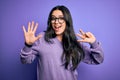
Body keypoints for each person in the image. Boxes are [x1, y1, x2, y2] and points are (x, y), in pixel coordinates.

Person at [20, 5, 104, 80]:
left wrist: (93, 43)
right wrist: (28, 45)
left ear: (67, 21)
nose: (56, 22)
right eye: (53, 18)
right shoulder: (41, 38)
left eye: (61, 18)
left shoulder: (74, 43)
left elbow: (98, 60)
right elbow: (25, 60)